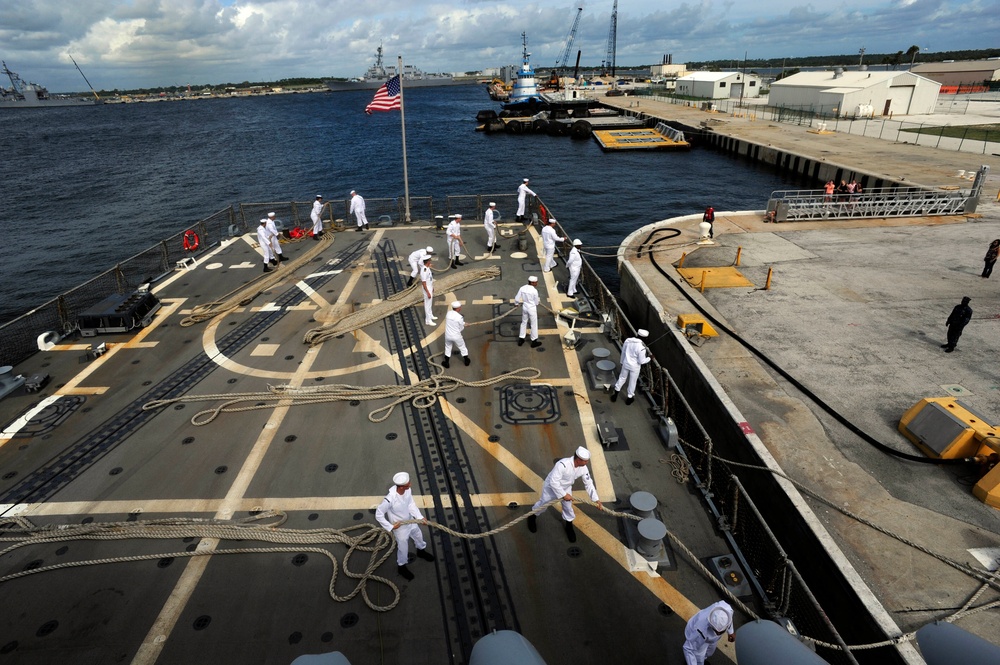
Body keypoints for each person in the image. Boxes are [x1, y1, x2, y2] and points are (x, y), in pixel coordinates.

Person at [526, 446, 602, 543]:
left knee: (568, 507)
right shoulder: (562, 465)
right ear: (578, 459)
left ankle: (569, 526)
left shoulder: (583, 468)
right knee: (543, 505)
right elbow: (554, 482)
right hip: (551, 488)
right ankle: (532, 517)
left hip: (566, 488)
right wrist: (563, 495)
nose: (586, 463)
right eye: (585, 461)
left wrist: (596, 499)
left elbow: (588, 483)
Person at [375, 472, 435, 581]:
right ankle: (401, 567)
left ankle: (421, 551)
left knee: (418, 535)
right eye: (408, 484)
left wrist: (419, 517)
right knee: (403, 548)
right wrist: (391, 527)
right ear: (401, 487)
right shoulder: (390, 499)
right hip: (400, 527)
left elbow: (411, 504)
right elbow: (378, 514)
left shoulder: (407, 491)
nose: (410, 485)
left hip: (410, 520)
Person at [682, 600, 735, 665]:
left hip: (710, 637)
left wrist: (730, 632)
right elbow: (688, 648)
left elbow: (728, 620)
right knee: (699, 656)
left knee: (710, 652)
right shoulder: (700, 630)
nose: (718, 634)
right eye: (716, 631)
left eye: (721, 632)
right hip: (697, 636)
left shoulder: (727, 610)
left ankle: (703, 659)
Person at [611, 329, 651, 405]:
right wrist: (649, 358)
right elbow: (641, 361)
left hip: (625, 363)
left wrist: (622, 361)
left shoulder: (628, 341)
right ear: (644, 338)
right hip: (634, 367)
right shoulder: (642, 348)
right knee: (632, 382)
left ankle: (615, 395)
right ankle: (629, 398)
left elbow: (623, 352)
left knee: (622, 378)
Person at [515, 275, 541, 348]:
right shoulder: (534, 291)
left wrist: (516, 304)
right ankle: (534, 341)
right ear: (532, 283)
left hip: (525, 307)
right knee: (533, 324)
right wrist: (537, 303)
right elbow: (536, 302)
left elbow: (517, 298)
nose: (537, 283)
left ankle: (521, 338)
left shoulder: (522, 288)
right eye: (536, 282)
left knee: (524, 322)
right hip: (532, 308)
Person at [442, 301, 470, 368]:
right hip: (456, 336)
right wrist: (465, 325)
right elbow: (461, 327)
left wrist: (463, 323)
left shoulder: (448, 313)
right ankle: (466, 361)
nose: (460, 308)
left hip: (448, 335)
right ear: (458, 308)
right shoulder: (459, 317)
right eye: (460, 307)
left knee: (448, 347)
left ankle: (446, 362)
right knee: (462, 347)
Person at [420, 255, 437, 325]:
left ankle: (430, 315)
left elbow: (429, 279)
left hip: (429, 286)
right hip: (427, 288)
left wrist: (432, 287)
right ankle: (428, 320)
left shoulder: (427, 268)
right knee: (427, 304)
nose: (430, 261)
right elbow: (424, 283)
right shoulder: (424, 271)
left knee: (430, 303)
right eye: (430, 260)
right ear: (428, 261)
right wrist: (428, 292)